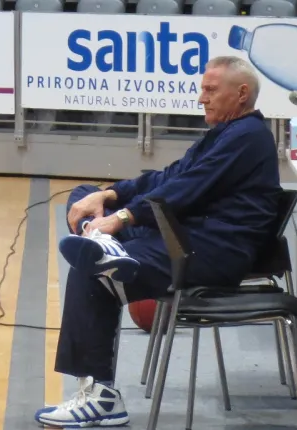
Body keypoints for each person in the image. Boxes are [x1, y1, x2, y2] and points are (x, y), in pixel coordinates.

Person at [34, 56, 282, 428]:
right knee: (85, 194)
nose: (201, 98)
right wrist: (110, 195)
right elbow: (167, 177)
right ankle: (102, 243)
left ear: (242, 93)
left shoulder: (248, 136)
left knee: (91, 270)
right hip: (180, 236)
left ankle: (101, 398)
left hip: (209, 251)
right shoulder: (224, 133)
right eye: (202, 89)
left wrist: (120, 218)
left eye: (211, 90)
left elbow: (185, 190)